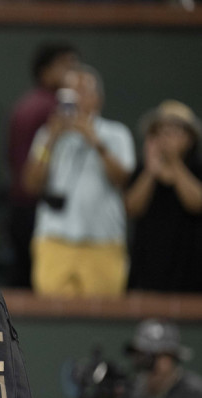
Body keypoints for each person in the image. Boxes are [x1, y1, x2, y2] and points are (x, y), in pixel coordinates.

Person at [22, 63, 135, 298]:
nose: (76, 98)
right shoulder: (47, 134)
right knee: (52, 311)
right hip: (54, 239)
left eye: (83, 91)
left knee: (104, 313)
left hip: (103, 241)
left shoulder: (116, 133)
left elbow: (122, 179)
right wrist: (51, 139)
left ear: (98, 98)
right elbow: (31, 184)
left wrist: (95, 140)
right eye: (70, 92)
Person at [5, 43, 79, 288]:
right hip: (40, 209)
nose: (73, 73)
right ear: (45, 71)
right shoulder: (53, 108)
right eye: (67, 65)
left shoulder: (24, 103)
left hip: (20, 206)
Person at [125, 100, 202, 292]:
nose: (168, 138)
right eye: (163, 131)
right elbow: (132, 207)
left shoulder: (197, 169)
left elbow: (196, 203)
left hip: (189, 271)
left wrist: (175, 162)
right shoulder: (143, 169)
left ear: (190, 138)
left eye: (176, 131)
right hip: (147, 269)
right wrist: (151, 171)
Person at [125, 319, 202, 398]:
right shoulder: (134, 387)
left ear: (172, 357)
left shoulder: (193, 392)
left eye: (157, 356)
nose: (149, 363)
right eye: (144, 355)